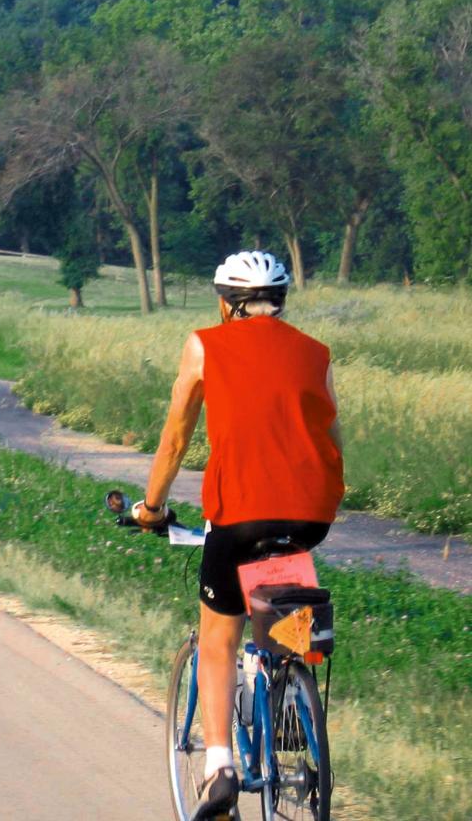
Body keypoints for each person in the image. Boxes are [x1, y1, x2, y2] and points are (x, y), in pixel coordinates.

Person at [134, 251, 344, 821]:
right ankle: (290, 706)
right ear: (280, 300)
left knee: (218, 639)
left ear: (226, 302)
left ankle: (221, 769)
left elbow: (176, 438)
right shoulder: (316, 354)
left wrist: (152, 508)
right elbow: (333, 439)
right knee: (281, 619)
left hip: (239, 515)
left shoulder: (206, 345)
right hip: (308, 514)